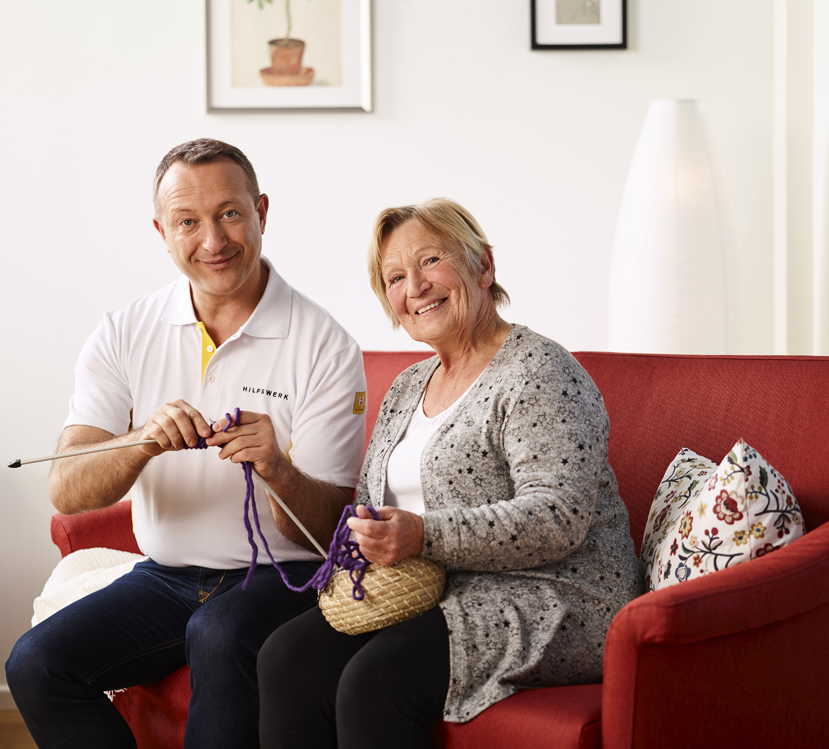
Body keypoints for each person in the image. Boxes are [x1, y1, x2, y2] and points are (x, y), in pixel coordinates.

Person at [5, 138, 367, 748]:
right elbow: (67, 491)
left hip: (283, 578)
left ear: (261, 213)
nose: (213, 240)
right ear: (162, 232)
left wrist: (276, 469)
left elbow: (328, 531)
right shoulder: (123, 331)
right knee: (36, 665)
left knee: (220, 632)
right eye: (187, 222)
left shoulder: (326, 345)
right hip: (165, 577)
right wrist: (141, 442)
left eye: (230, 213)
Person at [257, 198, 641, 748]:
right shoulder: (407, 387)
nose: (415, 287)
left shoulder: (539, 371)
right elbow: (370, 505)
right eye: (395, 277)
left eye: (431, 260)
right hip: (433, 591)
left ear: (483, 266)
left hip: (555, 596)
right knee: (285, 657)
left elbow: (558, 517)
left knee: (374, 682)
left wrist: (422, 535)